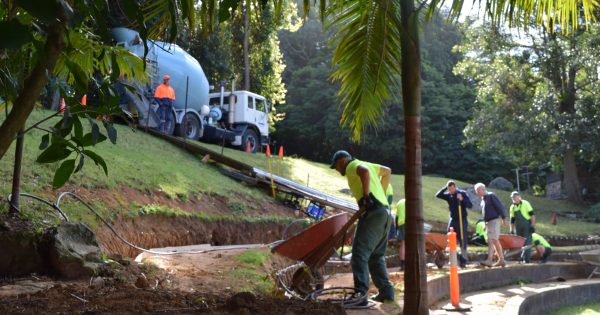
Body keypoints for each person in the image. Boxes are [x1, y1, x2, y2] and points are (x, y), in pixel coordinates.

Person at [330, 150, 395, 303]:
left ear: (341, 162)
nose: (338, 170)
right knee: (376, 256)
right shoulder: (367, 164)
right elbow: (387, 172)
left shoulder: (352, 166)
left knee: (359, 254)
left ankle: (360, 295)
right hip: (384, 212)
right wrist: (383, 195)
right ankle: (386, 292)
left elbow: (364, 172)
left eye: (336, 167)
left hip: (373, 213)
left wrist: (366, 197)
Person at [436, 180, 472, 268]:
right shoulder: (449, 195)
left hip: (461, 219)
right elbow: (438, 195)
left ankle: (463, 260)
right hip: (453, 219)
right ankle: (454, 258)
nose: (451, 191)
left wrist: (462, 199)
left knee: (462, 239)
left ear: (455, 187)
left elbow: (470, 205)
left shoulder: (462, 193)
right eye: (449, 189)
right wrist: (445, 187)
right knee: (449, 238)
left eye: (452, 189)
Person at [474, 183, 508, 267]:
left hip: (494, 220)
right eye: (476, 191)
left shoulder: (491, 196)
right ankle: (501, 260)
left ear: (482, 189)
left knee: (492, 240)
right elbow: (485, 213)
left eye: (477, 191)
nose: (476, 193)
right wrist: (485, 224)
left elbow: (500, 207)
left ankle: (490, 260)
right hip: (489, 222)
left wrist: (504, 218)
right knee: (494, 240)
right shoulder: (483, 200)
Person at [509, 191, 536, 263]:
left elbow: (532, 215)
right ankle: (521, 258)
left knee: (527, 242)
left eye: (514, 197)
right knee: (520, 243)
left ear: (519, 197)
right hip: (518, 227)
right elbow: (512, 220)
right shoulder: (512, 207)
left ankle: (526, 260)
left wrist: (532, 225)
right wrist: (511, 230)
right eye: (512, 198)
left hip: (527, 226)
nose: (513, 199)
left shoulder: (526, 203)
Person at [395, 198, 406, 271]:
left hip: (401, 223)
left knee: (403, 244)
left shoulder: (399, 203)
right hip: (411, 223)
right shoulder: (412, 201)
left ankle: (403, 265)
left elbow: (396, 217)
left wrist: (397, 228)